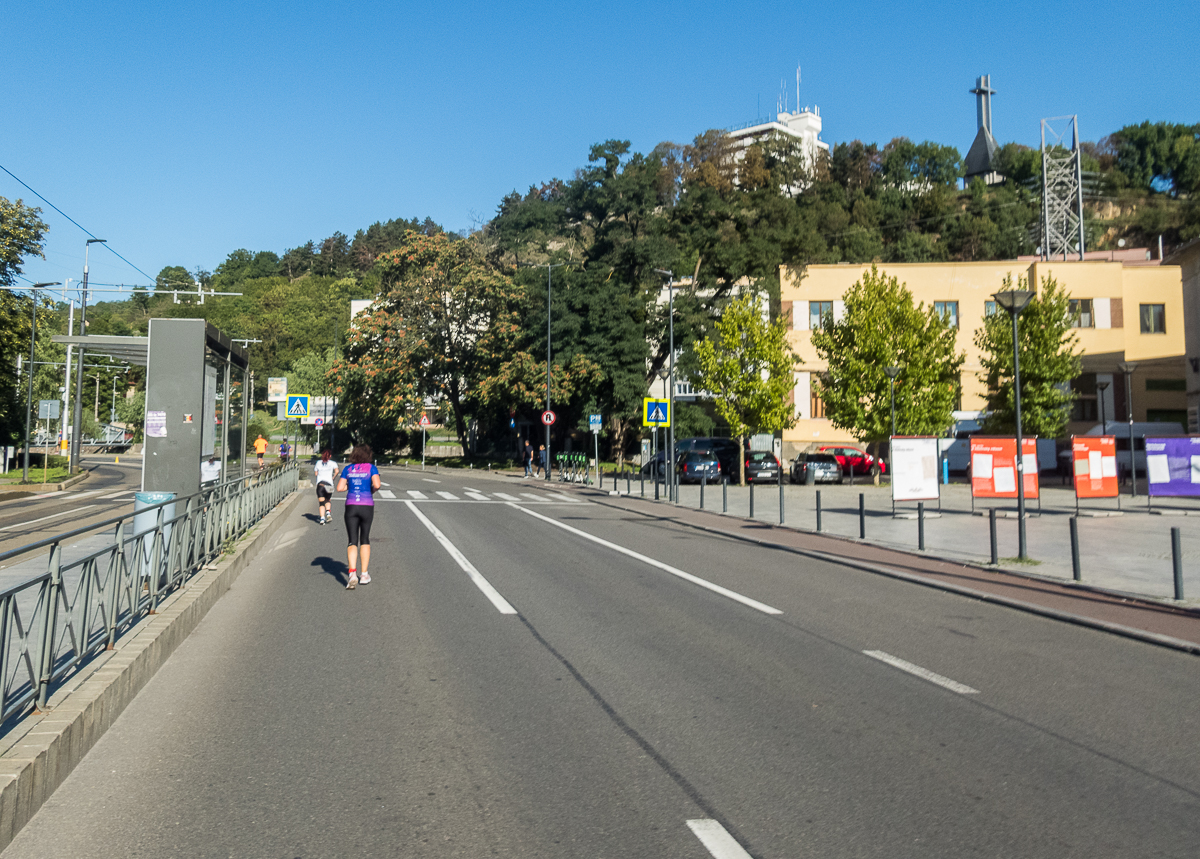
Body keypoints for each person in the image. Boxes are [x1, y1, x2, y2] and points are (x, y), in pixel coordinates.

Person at [336, 444, 380, 589]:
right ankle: (364, 574)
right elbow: (377, 485)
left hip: (351, 506)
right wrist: (370, 489)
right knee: (365, 538)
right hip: (367, 505)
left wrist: (351, 486)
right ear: (368, 454)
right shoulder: (371, 468)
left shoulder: (348, 469)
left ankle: (352, 573)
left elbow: (340, 488)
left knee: (352, 540)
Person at [313, 449, 338, 524]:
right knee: (328, 500)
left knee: (321, 503)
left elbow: (316, 473)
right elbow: (337, 471)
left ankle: (322, 519)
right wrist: (333, 477)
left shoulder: (318, 463)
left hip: (320, 485)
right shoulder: (333, 463)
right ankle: (328, 513)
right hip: (329, 484)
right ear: (330, 456)